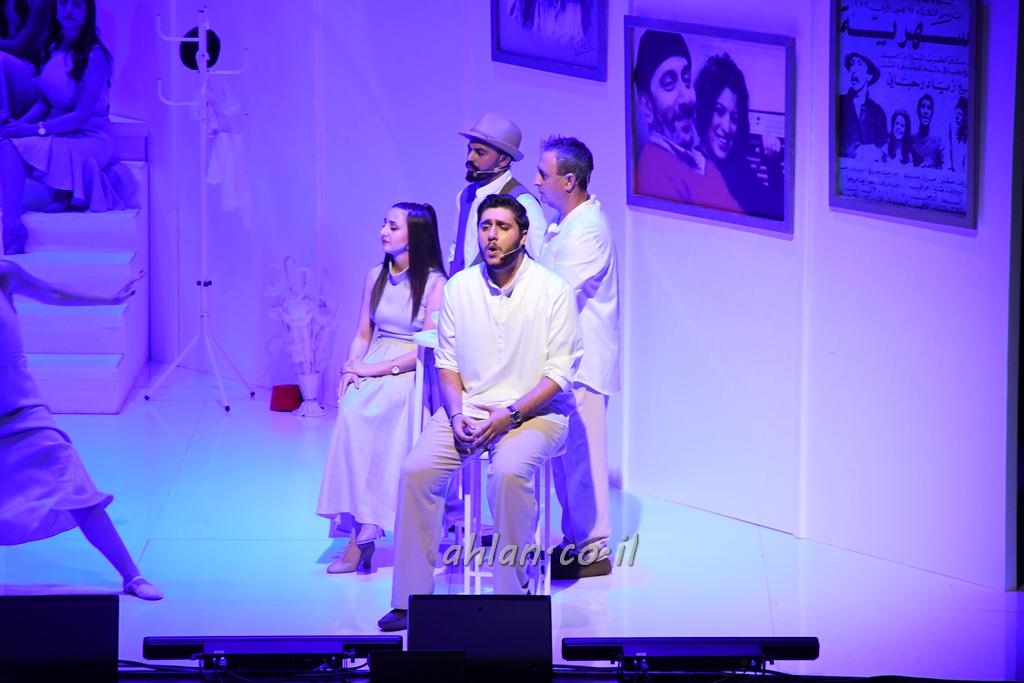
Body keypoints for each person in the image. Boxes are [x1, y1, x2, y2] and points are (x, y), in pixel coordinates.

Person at [377, 194, 582, 632]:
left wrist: (510, 414)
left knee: (507, 474)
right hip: (468, 408)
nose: (492, 235)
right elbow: (447, 363)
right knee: (416, 471)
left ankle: (510, 600)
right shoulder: (460, 287)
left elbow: (559, 375)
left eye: (502, 227)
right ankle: (410, 598)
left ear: (522, 236)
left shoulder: (553, 290)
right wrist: (455, 415)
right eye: (485, 226)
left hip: (536, 413)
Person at [0, 259, 161, 600]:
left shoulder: (3, 273)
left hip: (22, 410)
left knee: (73, 481)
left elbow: (52, 293)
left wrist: (107, 299)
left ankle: (131, 575)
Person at [316, 202, 447, 574]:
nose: (383, 232)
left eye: (393, 226)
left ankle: (371, 527)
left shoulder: (435, 283)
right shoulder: (374, 275)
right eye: (384, 224)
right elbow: (362, 332)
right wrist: (351, 367)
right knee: (351, 410)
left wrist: (374, 369)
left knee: (388, 411)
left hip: (412, 368)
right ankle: (359, 528)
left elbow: (428, 346)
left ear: (415, 235)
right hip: (374, 359)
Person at [532, 136, 619, 579]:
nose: (535, 182)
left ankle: (593, 549)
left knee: (583, 461)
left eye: (542, 174)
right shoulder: (563, 225)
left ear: (569, 180)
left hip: (584, 366)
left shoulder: (587, 231)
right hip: (566, 364)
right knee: (566, 462)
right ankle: (575, 543)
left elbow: (555, 293)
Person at [0, 0, 115, 255]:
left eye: (77, 5)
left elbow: (81, 116)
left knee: (14, 146)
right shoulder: (53, 46)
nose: (69, 11)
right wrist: (20, 125)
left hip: (90, 135)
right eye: (63, 4)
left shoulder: (95, 55)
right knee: (6, 143)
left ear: (88, 13)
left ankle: (15, 225)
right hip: (61, 127)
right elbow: (44, 102)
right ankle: (13, 225)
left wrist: (33, 130)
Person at [631, 29, 740, 212]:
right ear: (647, 106)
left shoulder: (704, 164)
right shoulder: (655, 170)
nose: (688, 98)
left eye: (687, 80)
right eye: (669, 83)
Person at [449, 112, 547, 276]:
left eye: (480, 152)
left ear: (503, 160)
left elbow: (542, 261)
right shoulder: (464, 196)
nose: (470, 158)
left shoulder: (523, 202)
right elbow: (457, 250)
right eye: (469, 150)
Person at [694, 53, 783, 219]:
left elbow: (776, 212)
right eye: (719, 111)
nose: (727, 127)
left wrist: (773, 164)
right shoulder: (689, 167)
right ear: (704, 110)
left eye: (734, 118)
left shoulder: (737, 167)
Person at [0, 0, 50, 122]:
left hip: (32, 74)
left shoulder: (41, 2)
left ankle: (3, 118)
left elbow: (21, 46)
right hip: (6, 74)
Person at [836, 52, 887, 159]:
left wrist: (874, 151)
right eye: (852, 64)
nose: (853, 70)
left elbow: (882, 147)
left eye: (859, 64)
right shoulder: (838, 103)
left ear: (869, 76)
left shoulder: (877, 112)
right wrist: (851, 151)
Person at [911, 93, 944, 169]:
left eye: (929, 108)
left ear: (932, 113)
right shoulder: (912, 140)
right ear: (918, 111)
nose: (926, 111)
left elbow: (943, 167)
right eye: (923, 107)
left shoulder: (938, 141)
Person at [948, 96, 967, 172]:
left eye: (960, 114)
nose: (957, 117)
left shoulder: (967, 139)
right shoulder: (952, 131)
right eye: (956, 113)